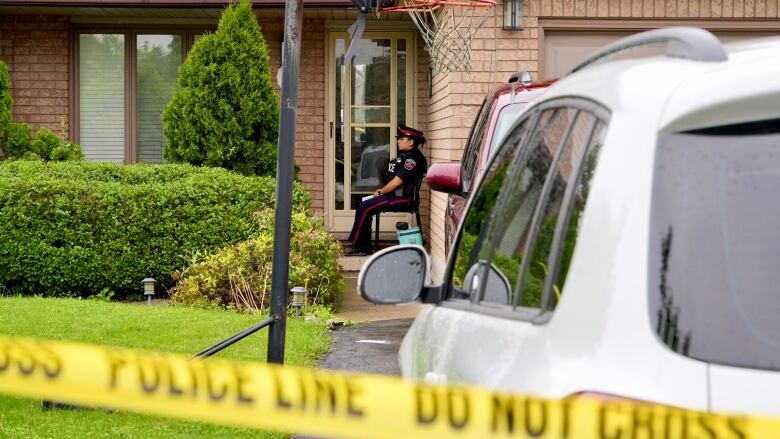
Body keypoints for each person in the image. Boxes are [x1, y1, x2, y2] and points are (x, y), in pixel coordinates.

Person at [346, 124, 428, 256]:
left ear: (411, 141)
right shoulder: (406, 156)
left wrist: (381, 192)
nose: (398, 141)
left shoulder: (413, 160)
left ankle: (362, 246)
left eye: (401, 139)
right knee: (362, 203)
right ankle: (362, 244)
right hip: (394, 196)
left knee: (366, 206)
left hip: (403, 199)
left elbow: (396, 182)